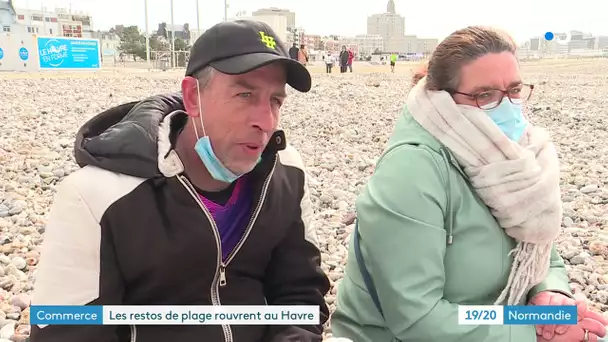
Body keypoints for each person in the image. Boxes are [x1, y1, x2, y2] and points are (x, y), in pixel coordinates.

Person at [29, 19, 330, 342]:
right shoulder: (96, 196)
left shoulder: (285, 172)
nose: (265, 122)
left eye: (275, 100)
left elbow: (300, 295)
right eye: (245, 94)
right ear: (192, 97)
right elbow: (65, 328)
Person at [330, 26, 608, 342]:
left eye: (514, 90)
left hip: (494, 322)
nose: (507, 106)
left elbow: (543, 250)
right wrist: (531, 332)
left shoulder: (512, 157)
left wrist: (550, 297)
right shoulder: (412, 171)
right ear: (445, 100)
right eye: (485, 95)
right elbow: (418, 318)